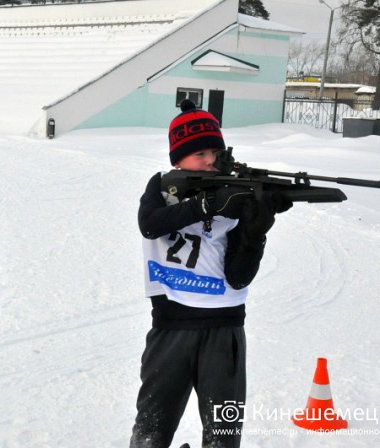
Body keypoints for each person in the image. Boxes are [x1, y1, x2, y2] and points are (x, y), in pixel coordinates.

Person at [129, 100, 291, 448]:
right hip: (171, 324)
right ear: (178, 159)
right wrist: (202, 206)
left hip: (225, 325)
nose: (209, 161)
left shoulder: (236, 194)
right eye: (200, 153)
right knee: (151, 430)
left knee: (223, 435)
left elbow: (238, 277)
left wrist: (256, 230)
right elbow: (150, 225)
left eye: (215, 152)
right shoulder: (161, 186)